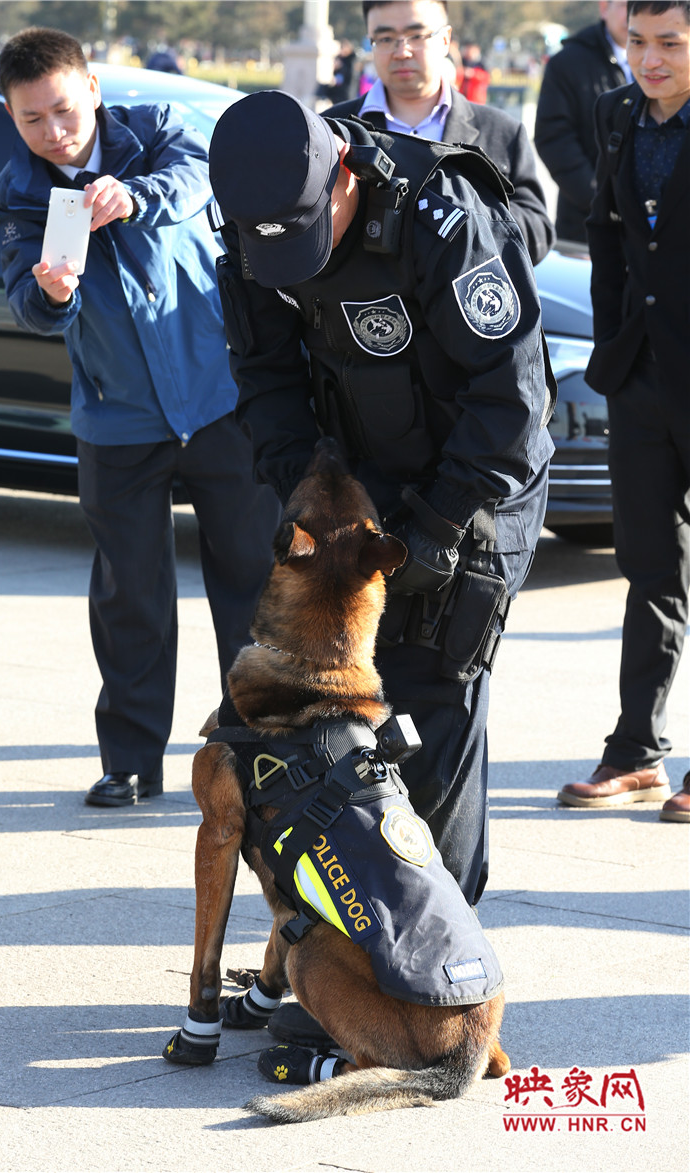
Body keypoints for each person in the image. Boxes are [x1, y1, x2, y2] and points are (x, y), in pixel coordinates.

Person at [206, 88, 555, 1036]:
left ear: (343, 178)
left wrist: (434, 531)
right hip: (352, 489)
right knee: (328, 743)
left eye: (310, 236)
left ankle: (431, 985)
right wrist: (305, 499)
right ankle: (340, 962)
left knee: (430, 721)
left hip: (469, 492)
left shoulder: (440, 216)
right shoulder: (250, 216)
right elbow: (266, 379)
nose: (296, 261)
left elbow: (511, 404)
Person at [0, 28, 280, 808]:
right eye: (32, 118)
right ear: (11, 116)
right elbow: (26, 302)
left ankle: (264, 748)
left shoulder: (155, 131)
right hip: (116, 423)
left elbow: (197, 180)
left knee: (252, 581)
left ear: (91, 88)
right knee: (130, 595)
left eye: (63, 108)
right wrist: (51, 294)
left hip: (219, 401)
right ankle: (130, 758)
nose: (54, 131)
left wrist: (136, 196)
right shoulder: (17, 193)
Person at [557, 0, 690, 822]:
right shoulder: (615, 115)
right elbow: (605, 237)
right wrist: (611, 344)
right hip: (639, 378)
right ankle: (637, 750)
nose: (651, 59)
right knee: (648, 567)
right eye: (638, 41)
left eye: (671, 43)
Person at [327, 0, 554, 266]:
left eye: (416, 36)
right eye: (386, 38)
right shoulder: (332, 130)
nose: (402, 51)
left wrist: (463, 221)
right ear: (371, 42)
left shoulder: (503, 132)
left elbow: (538, 233)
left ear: (445, 40)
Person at [535, 1, 632, 244]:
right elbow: (554, 139)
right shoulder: (568, 63)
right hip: (586, 224)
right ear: (604, 7)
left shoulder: (668, 62)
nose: (634, 13)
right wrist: (602, 201)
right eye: (626, 4)